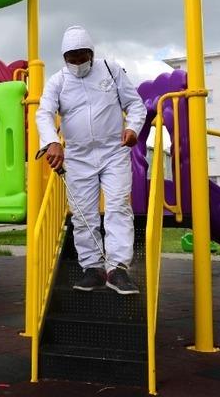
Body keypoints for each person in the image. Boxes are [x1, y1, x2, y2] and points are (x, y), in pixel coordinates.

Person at [35, 26, 147, 295]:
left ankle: (117, 269)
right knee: (83, 214)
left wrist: (133, 128)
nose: (77, 64)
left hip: (113, 151)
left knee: (118, 205)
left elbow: (135, 105)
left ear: (91, 53)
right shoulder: (58, 81)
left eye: (81, 57)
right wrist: (52, 142)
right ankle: (93, 268)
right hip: (78, 155)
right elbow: (44, 113)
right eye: (71, 59)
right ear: (64, 58)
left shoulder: (111, 69)